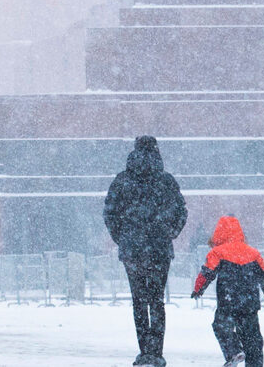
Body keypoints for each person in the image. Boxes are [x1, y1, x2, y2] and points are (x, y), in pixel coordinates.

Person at [104, 136, 188, 367]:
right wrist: (169, 233)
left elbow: (110, 214)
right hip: (159, 249)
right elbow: (181, 212)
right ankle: (156, 352)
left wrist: (122, 238)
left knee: (139, 300)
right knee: (157, 300)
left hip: (132, 250)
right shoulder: (166, 181)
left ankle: (144, 352)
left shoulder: (122, 180)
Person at [191, 216, 264, 367]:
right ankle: (255, 363)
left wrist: (198, 289)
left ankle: (234, 352)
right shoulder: (253, 253)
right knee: (252, 337)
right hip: (250, 302)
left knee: (221, 325)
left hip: (228, 299)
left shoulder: (218, 252)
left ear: (218, 233)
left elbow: (207, 273)